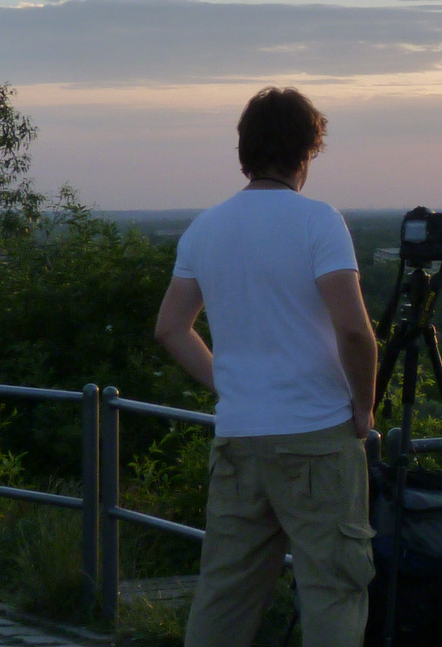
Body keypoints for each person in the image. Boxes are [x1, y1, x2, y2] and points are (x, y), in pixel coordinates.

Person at [155, 87, 379, 647]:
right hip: (315, 439)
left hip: (238, 439)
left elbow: (170, 328)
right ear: (307, 149)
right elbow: (354, 330)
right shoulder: (318, 222)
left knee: (225, 594)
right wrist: (364, 406)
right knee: (333, 587)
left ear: (245, 148)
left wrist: (228, 383)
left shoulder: (205, 227)